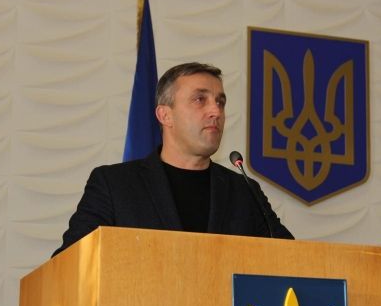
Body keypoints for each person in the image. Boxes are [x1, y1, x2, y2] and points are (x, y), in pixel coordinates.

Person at [52, 62, 293, 257]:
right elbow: (70, 262)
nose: (216, 111)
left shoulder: (244, 191)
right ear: (165, 115)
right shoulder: (114, 185)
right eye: (200, 99)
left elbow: (291, 260)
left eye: (220, 102)